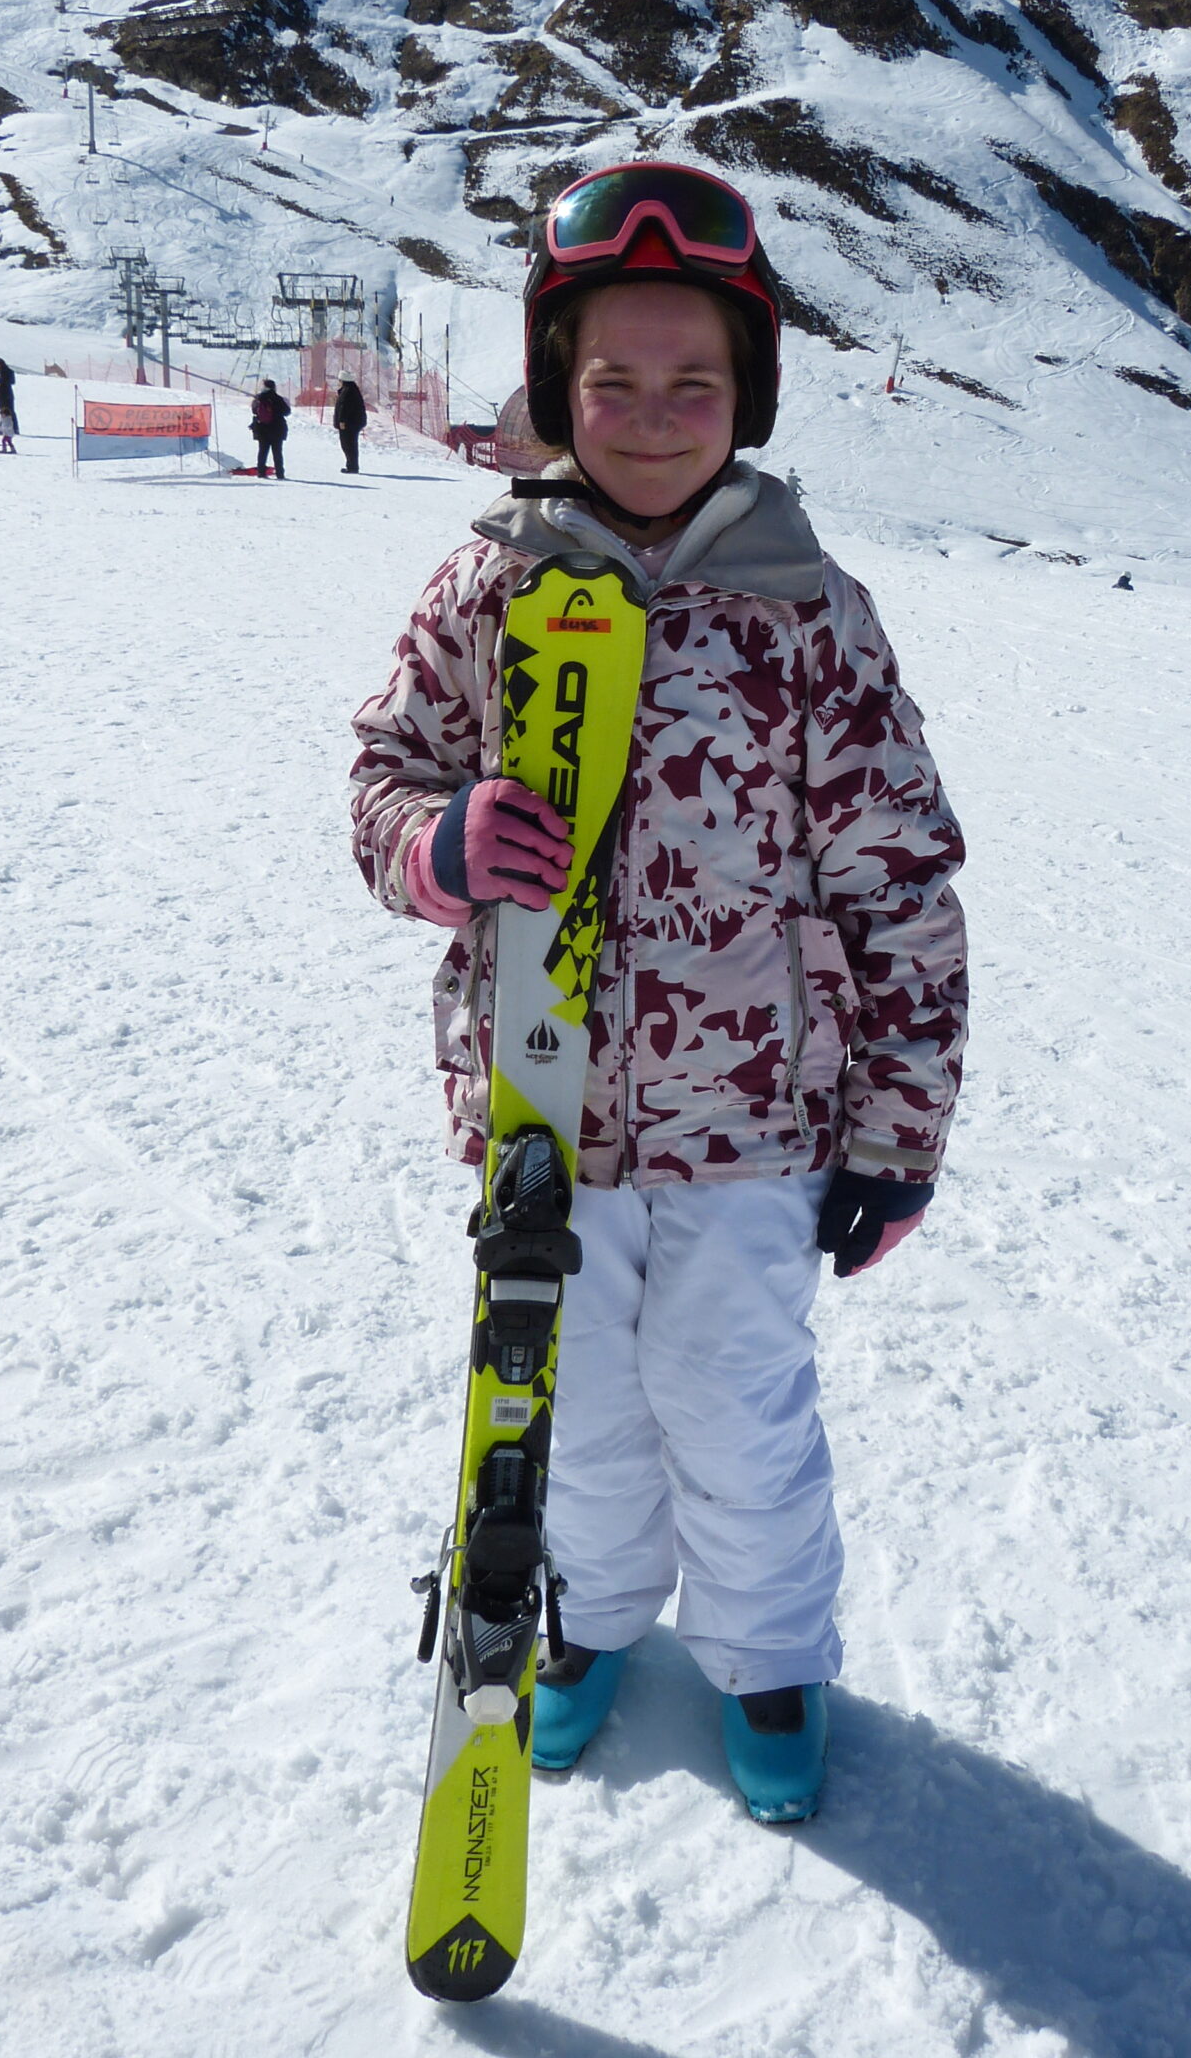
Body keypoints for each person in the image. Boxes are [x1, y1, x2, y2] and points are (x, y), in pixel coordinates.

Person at [349, 163, 968, 1824]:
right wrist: (438, 844)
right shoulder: (486, 585)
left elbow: (898, 884)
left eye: (691, 381)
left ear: (745, 393)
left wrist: (896, 1134)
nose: (646, 416)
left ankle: (765, 1656)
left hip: (750, 1127)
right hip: (538, 1111)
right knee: (579, 1416)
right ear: (556, 387)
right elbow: (382, 780)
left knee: (734, 1409)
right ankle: (595, 1621)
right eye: (610, 379)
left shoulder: (807, 613)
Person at [250, 377, 290, 478]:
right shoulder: (278, 398)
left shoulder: (258, 398)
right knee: (277, 452)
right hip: (277, 428)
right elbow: (287, 411)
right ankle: (280, 473)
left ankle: (261, 472)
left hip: (262, 428)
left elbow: (254, 410)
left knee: (262, 451)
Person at [333, 372, 367, 474]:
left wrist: (342, 421)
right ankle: (351, 465)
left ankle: (352, 467)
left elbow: (344, 408)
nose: (339, 382)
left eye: (340, 380)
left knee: (348, 444)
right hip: (353, 423)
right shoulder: (350, 390)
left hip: (350, 423)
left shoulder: (348, 392)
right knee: (349, 444)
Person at [0, 357, 17, 454]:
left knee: (9, 411)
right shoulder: (2, 371)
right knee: (3, 412)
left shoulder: (7, 371)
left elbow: (11, 382)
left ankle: (14, 428)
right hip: (2, 394)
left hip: (6, 394)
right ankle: (2, 428)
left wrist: (0, 381)